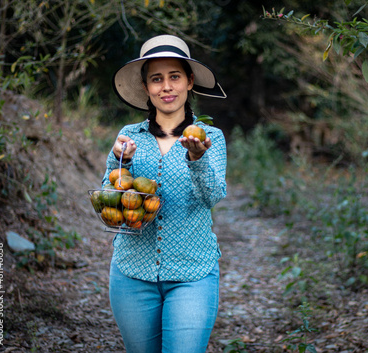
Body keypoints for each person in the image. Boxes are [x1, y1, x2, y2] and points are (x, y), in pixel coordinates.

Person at [102, 34, 227, 353]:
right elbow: (108, 195)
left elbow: (213, 196)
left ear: (189, 81)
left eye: (174, 76)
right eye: (156, 79)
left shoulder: (211, 137)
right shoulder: (128, 136)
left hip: (193, 273)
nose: (166, 86)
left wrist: (197, 159)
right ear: (146, 87)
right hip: (131, 272)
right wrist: (123, 162)